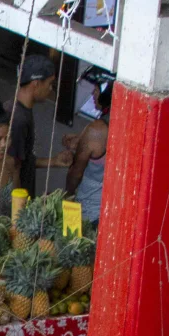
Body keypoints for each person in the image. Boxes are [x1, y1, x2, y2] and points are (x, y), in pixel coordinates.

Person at [7, 56, 73, 193]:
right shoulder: (18, 119)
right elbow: (13, 167)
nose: (50, 89)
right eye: (49, 83)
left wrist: (53, 161)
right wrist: (19, 207)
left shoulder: (21, 111)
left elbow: (24, 159)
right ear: (36, 83)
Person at [66, 84, 111, 229]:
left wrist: (67, 196)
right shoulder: (124, 126)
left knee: (70, 243)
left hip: (87, 211)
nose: (93, 92)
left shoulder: (96, 130)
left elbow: (76, 173)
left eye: (98, 88)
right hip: (110, 212)